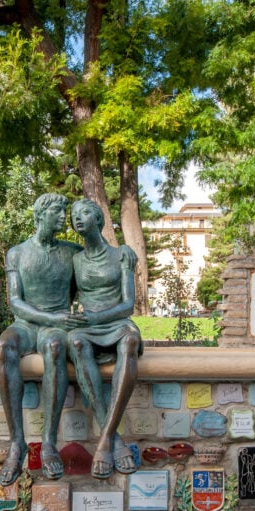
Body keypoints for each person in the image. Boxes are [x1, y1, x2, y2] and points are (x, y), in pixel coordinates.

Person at [0, 193, 84, 485]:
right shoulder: (17, 253)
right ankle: (16, 442)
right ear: (40, 215)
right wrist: (52, 318)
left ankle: (48, 442)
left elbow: (88, 282)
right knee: (6, 346)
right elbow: (15, 302)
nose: (63, 217)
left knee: (56, 347)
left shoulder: (73, 252)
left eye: (64, 212)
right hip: (26, 323)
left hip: (54, 326)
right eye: (58, 212)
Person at [66, 199, 143, 479]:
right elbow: (66, 301)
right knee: (75, 341)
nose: (78, 218)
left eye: (85, 212)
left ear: (99, 220)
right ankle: (114, 440)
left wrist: (94, 318)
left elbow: (128, 305)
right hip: (87, 327)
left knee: (130, 341)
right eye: (74, 215)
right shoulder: (74, 260)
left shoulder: (122, 253)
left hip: (116, 321)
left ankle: (104, 440)